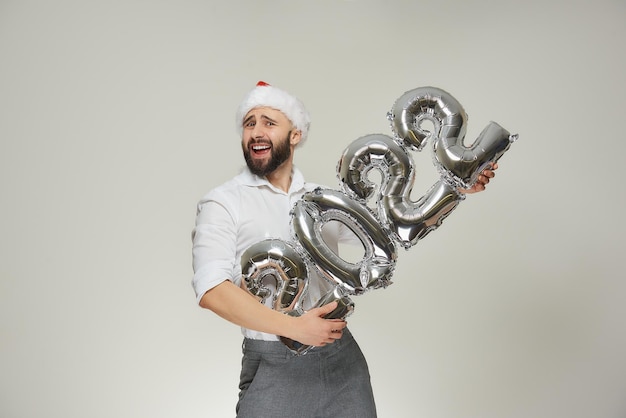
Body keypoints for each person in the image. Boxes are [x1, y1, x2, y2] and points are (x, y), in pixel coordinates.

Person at [191, 81, 497, 418]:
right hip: (274, 365)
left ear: (295, 134)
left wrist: (456, 188)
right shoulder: (223, 203)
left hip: (342, 363)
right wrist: (293, 328)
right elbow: (212, 291)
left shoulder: (321, 199)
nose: (256, 132)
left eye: (268, 122)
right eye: (249, 123)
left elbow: (387, 228)